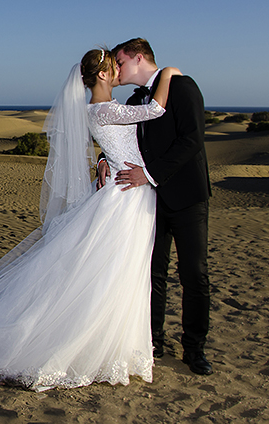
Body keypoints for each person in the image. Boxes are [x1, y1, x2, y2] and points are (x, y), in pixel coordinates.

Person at [0, 48, 181, 390]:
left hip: (127, 191)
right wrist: (167, 74)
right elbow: (155, 110)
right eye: (116, 68)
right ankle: (99, 348)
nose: (121, 73)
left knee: (121, 271)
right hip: (127, 197)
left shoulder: (97, 110)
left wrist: (104, 160)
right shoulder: (106, 109)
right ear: (105, 76)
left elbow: (120, 143)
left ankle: (116, 346)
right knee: (117, 272)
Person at [98, 38, 212, 376]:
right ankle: (154, 341)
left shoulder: (182, 86)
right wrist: (106, 158)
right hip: (151, 202)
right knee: (152, 273)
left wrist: (148, 174)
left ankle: (194, 349)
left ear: (136, 57)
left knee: (195, 274)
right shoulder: (135, 100)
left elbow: (192, 139)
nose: (116, 69)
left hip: (188, 197)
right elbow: (126, 142)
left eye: (119, 61)